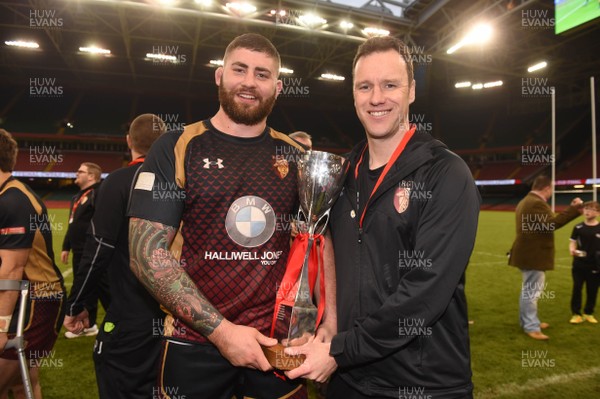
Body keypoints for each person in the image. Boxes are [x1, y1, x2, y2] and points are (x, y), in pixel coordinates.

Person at [128, 33, 336, 399]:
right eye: (240, 70)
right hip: (194, 341)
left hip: (277, 344)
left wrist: (327, 324)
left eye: (262, 74)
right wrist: (222, 332)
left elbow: (318, 241)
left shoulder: (295, 156)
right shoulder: (178, 146)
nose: (249, 83)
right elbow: (146, 254)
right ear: (220, 75)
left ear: (278, 87)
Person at [285, 36, 481, 399]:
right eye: (365, 86)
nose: (377, 98)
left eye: (390, 85)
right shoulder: (340, 175)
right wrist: (329, 324)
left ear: (411, 92)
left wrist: (341, 349)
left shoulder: (446, 174)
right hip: (346, 381)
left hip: (423, 383)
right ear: (354, 95)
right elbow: (321, 248)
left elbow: (425, 292)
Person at [62, 114, 167, 398]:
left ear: (129, 141)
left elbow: (98, 249)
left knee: (119, 382)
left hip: (131, 313)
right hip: (181, 318)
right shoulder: (184, 180)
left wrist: (77, 303)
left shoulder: (120, 181)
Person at [0, 128, 66, 398]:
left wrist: (1, 326)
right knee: (20, 383)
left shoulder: (13, 200)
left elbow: (12, 270)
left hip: (37, 300)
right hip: (23, 297)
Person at [509, 175, 583, 340]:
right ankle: (531, 326)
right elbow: (551, 224)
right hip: (533, 254)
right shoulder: (536, 203)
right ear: (547, 188)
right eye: (552, 188)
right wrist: (574, 209)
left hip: (528, 253)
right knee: (531, 292)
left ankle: (528, 322)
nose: (552, 192)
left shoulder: (526, 201)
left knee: (528, 291)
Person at [61, 161, 109, 337]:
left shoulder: (99, 193)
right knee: (86, 289)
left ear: (91, 176)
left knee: (104, 289)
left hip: (94, 251)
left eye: (80, 171)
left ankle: (125, 325)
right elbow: (72, 223)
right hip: (78, 251)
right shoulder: (77, 197)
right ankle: (89, 326)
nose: (76, 173)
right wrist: (66, 246)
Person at [568, 200, 600, 324]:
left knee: (592, 289)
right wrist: (572, 249)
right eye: (586, 208)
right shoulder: (578, 227)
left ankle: (588, 312)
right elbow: (572, 241)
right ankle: (576, 313)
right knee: (577, 288)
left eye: (591, 209)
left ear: (598, 212)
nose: (587, 211)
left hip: (595, 265)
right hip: (579, 264)